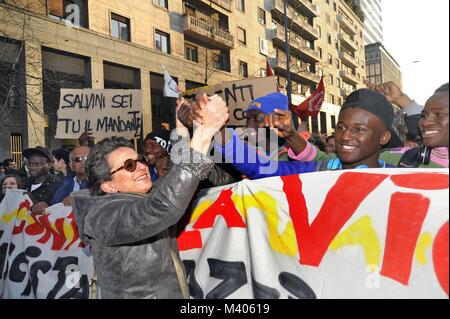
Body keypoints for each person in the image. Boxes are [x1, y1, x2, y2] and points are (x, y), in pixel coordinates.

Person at [71, 94, 229, 299]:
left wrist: (182, 126)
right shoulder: (102, 216)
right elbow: (163, 207)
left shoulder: (141, 196)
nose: (142, 167)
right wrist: (205, 132)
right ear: (108, 185)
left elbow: (175, 181)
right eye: (129, 165)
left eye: (140, 160)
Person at [215, 89, 400, 179]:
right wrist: (216, 129)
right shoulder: (316, 171)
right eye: (341, 127)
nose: (344, 136)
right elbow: (261, 168)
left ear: (383, 137)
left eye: (358, 129)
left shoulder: (400, 180)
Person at [23, 146, 62, 214]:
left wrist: (33, 199)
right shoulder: (23, 183)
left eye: (38, 164)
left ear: (49, 165)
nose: (33, 167)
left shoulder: (58, 185)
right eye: (30, 163)